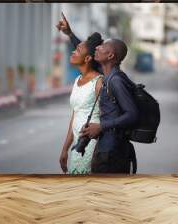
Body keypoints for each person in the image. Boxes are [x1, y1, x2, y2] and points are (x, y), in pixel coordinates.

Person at [57, 13, 139, 174]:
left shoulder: (113, 80)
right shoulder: (107, 74)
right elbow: (85, 53)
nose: (97, 48)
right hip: (100, 148)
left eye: (102, 47)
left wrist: (101, 126)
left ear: (110, 56)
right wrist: (70, 34)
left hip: (111, 151)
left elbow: (132, 114)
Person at [59, 32, 104, 174]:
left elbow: (107, 117)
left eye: (77, 50)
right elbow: (75, 115)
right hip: (78, 146)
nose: (73, 52)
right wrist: (65, 149)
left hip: (92, 145)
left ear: (88, 58)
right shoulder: (77, 80)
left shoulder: (99, 82)